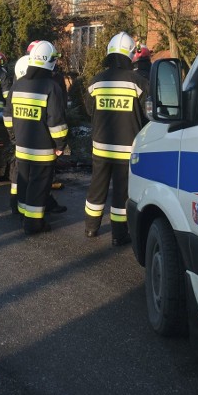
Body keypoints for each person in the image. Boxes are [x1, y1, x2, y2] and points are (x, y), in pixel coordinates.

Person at [83, 32, 149, 246]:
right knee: (121, 193)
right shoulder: (139, 82)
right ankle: (118, 234)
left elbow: (88, 110)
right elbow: (149, 114)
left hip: (100, 147)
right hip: (126, 149)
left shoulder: (95, 82)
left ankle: (91, 228)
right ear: (130, 56)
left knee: (97, 187)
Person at [3, 40, 68, 235]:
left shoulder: (18, 84)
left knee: (24, 182)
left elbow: (8, 116)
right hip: (43, 150)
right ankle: (33, 224)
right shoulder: (51, 86)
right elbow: (56, 122)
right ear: (49, 61)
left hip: (22, 147)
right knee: (39, 186)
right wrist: (60, 144)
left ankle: (24, 216)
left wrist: (15, 138)